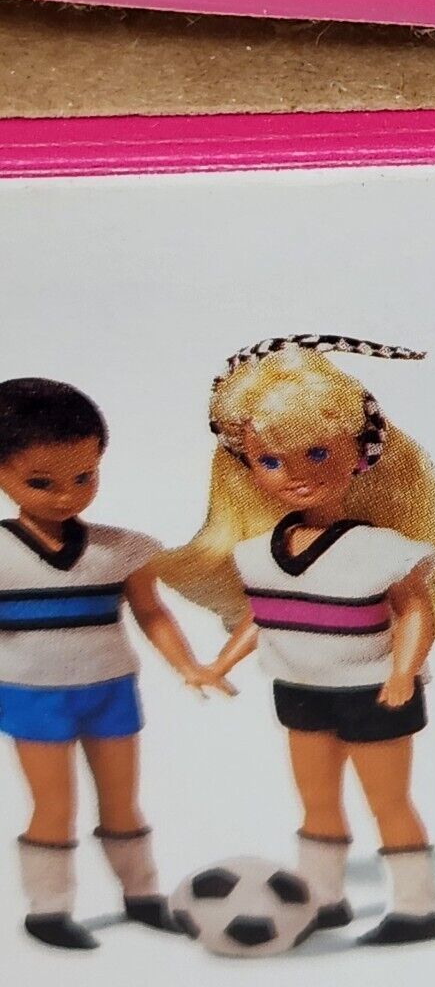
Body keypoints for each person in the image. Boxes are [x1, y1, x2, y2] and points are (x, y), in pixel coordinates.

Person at [160, 337, 435, 946]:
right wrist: (218, 663)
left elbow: (415, 610)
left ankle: (416, 907)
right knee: (316, 802)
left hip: (373, 691)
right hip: (300, 688)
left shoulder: (383, 550)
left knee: (387, 802)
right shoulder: (256, 554)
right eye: (272, 461)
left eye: (317, 452)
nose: (297, 474)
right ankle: (324, 896)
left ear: (360, 454)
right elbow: (266, 617)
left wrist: (403, 671)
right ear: (247, 467)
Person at [0, 377, 227, 950]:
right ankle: (49, 908)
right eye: (41, 482)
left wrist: (189, 665)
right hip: (32, 694)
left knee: (122, 800)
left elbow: (152, 613)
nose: (67, 496)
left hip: (110, 688)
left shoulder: (122, 549)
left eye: (85, 476)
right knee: (54, 805)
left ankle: (141, 894)